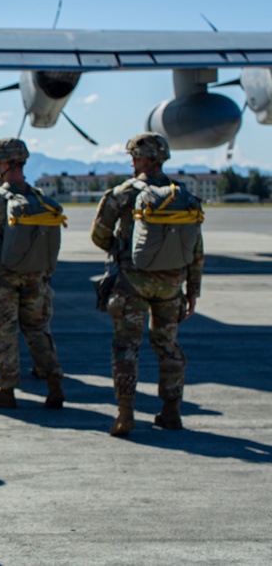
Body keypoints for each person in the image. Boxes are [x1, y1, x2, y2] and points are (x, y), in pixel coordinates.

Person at [91, 132, 203, 437]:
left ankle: (125, 414)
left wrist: (120, 249)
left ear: (143, 159)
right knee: (168, 347)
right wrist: (192, 290)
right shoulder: (183, 195)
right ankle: (171, 411)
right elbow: (196, 249)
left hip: (132, 283)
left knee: (126, 347)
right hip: (171, 285)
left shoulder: (122, 193)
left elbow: (99, 234)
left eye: (134, 157)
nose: (131, 162)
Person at [0, 138, 65, 409]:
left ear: (4, 163)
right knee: (38, 331)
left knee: (4, 333)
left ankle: (6, 391)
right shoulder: (41, 199)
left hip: (2, 278)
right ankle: (54, 383)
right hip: (36, 277)